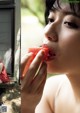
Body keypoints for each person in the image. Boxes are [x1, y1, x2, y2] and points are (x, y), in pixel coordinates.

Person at [21, 0, 80, 113]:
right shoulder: (50, 91)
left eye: (69, 23)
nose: (47, 31)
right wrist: (26, 107)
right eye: (51, 19)